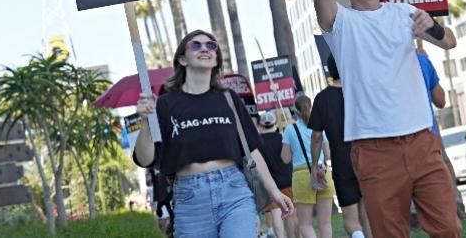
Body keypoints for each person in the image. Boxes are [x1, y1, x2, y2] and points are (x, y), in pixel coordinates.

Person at [312, 0, 461, 238]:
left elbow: (450, 40)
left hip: (422, 141)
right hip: (373, 149)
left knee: (448, 229)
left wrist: (433, 27)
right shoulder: (341, 23)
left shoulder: (403, 11)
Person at [132, 29, 294, 238]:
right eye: (196, 45)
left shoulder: (229, 98)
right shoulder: (165, 104)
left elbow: (252, 152)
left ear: (216, 58)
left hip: (234, 191)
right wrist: (146, 120)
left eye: (211, 45)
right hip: (190, 200)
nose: (204, 48)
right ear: (182, 58)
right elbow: (145, 159)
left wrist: (274, 192)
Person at [307, 55, 372, 238]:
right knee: (368, 216)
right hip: (368, 158)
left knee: (351, 220)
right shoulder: (361, 90)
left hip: (342, 162)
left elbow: (317, 135)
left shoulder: (321, 98)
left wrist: (314, 166)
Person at [281, 95, 335, 238]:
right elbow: (328, 154)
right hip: (324, 172)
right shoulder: (320, 127)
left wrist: (296, 152)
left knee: (305, 224)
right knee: (326, 223)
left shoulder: (290, 130)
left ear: (295, 111)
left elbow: (285, 159)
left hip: (302, 175)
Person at [257, 111, 298, 238]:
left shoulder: (258, 143)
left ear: (261, 125)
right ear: (275, 124)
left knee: (276, 213)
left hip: (271, 185)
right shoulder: (283, 138)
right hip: (288, 181)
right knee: (291, 214)